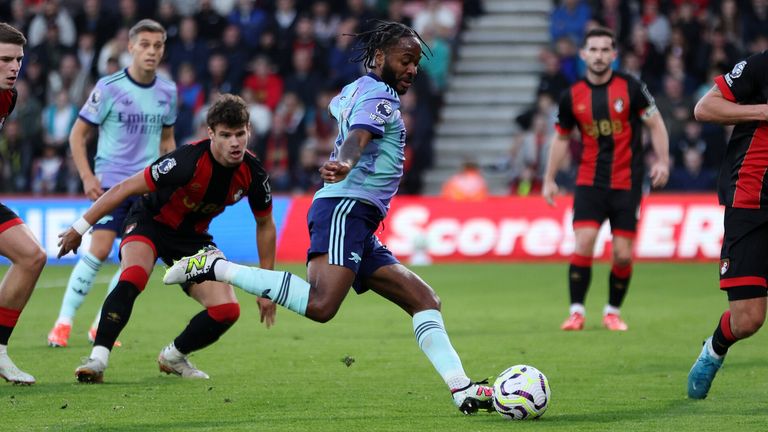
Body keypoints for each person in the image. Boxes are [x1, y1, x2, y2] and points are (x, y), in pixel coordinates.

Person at [163, 21, 494, 415]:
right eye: (406, 60)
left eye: (417, 63)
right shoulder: (381, 98)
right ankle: (215, 267)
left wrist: (347, 158)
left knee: (425, 300)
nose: (412, 69)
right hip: (346, 207)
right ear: (379, 58)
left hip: (358, 216)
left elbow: (341, 111)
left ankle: (462, 391)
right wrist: (345, 161)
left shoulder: (355, 90)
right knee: (321, 306)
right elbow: (358, 134)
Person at [57, 94, 277, 383]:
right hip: (150, 222)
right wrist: (80, 227)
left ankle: (173, 357)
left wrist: (267, 285)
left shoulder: (253, 172)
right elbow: (124, 188)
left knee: (227, 310)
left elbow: (265, 224)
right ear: (210, 133)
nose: (235, 143)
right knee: (134, 276)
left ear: (249, 130)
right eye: (225, 135)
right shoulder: (186, 160)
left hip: (192, 240)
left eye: (240, 134)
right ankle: (98, 359)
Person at [47, 19, 178, 348]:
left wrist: (173, 179)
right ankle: (62, 323)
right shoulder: (109, 87)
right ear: (130, 47)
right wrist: (87, 176)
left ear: (163, 49)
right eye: (144, 45)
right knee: (100, 249)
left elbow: (167, 140)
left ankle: (97, 326)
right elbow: (77, 135)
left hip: (146, 188)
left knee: (132, 258)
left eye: (157, 45)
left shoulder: (167, 91)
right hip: (111, 185)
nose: (151, 51)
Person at [542, 27, 669, 332]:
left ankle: (612, 311)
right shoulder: (572, 96)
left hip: (627, 182)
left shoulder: (632, 88)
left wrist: (663, 160)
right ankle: (576, 312)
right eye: (593, 50)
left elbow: (656, 124)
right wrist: (548, 178)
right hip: (589, 181)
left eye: (605, 50)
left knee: (623, 254)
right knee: (584, 242)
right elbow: (560, 139)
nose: (599, 56)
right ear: (584, 55)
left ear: (614, 55)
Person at [686, 51, 768, 399]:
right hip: (751, 202)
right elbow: (705, 108)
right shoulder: (761, 66)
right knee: (748, 320)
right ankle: (715, 349)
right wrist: (762, 111)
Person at [0, 23, 48, 385]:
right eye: (4, 59)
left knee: (32, 256)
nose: (13, 67)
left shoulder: (9, 97)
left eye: (17, 59)